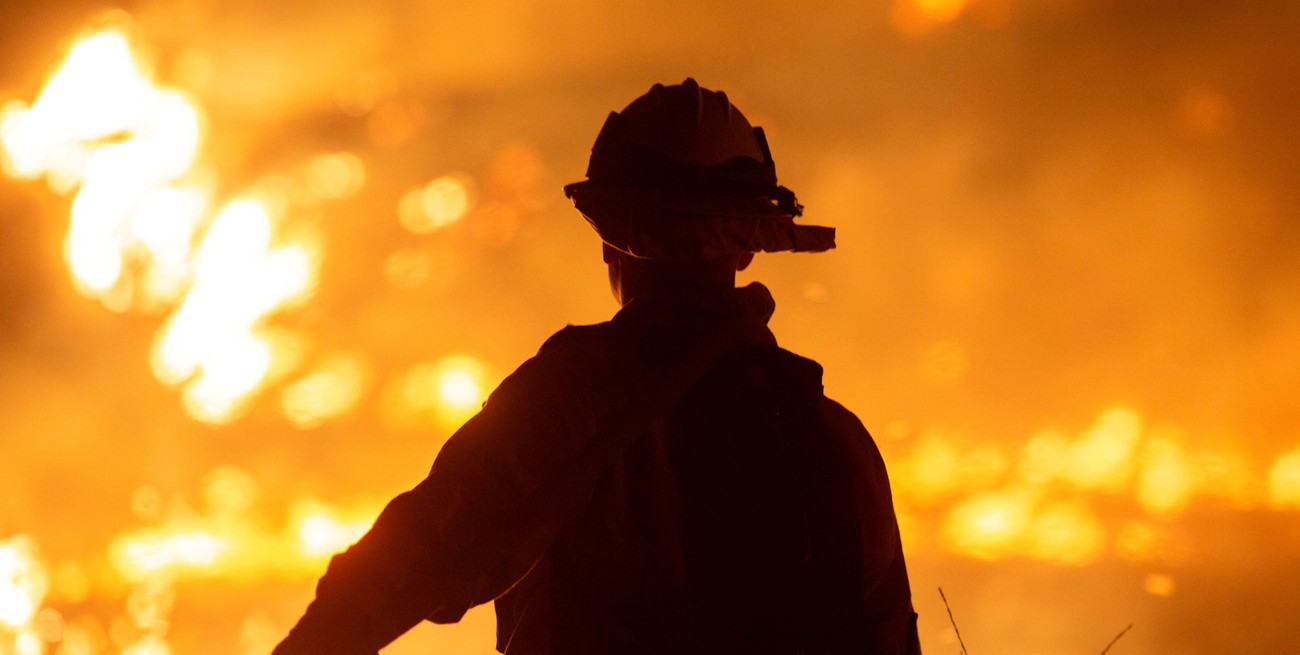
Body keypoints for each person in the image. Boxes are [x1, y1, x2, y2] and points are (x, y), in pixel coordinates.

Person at [274, 78, 920, 655]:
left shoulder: (567, 404)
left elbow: (410, 562)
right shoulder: (834, 438)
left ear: (611, 235)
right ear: (749, 247)